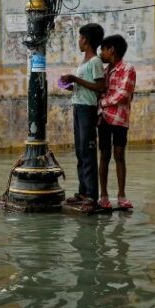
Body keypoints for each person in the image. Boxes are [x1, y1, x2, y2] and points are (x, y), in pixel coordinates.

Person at [59, 23, 106, 213]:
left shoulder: (95, 61)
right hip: (78, 107)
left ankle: (91, 196)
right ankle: (82, 191)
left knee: (87, 152)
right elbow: (87, 86)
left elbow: (100, 87)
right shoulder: (85, 62)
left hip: (87, 110)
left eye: (80, 38)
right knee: (80, 152)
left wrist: (75, 79)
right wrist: (71, 86)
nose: (78, 41)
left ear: (85, 40)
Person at [97, 34, 136, 210]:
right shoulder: (105, 70)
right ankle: (103, 195)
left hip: (119, 118)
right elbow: (101, 90)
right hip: (104, 118)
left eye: (103, 50)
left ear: (111, 50)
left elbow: (123, 94)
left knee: (119, 155)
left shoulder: (128, 69)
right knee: (104, 155)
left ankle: (121, 195)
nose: (101, 53)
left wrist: (102, 103)